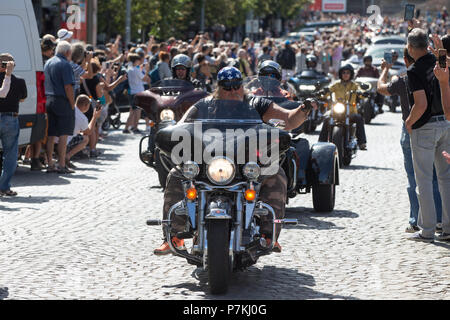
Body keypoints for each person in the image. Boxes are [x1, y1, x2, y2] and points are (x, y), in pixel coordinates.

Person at [153, 66, 312, 255]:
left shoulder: (257, 103)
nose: (232, 90)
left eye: (236, 85)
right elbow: (181, 127)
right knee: (177, 175)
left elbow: (288, 120)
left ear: (241, 86)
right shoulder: (204, 105)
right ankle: (172, 237)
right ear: (218, 87)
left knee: (276, 174)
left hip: (249, 165)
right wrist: (170, 132)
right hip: (208, 164)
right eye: (226, 86)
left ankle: (269, 235)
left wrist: (303, 109)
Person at [377, 47, 442, 233]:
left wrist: (385, 70)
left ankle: (416, 220)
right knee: (436, 178)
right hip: (435, 126)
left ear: (406, 60)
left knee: (414, 177)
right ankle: (437, 219)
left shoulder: (403, 79)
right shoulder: (434, 74)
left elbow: (381, 88)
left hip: (412, 129)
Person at [404, 28, 450, 242]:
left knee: (423, 179)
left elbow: (420, 105)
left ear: (411, 48)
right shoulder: (439, 60)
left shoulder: (413, 70)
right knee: (446, 179)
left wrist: (409, 122)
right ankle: (448, 228)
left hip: (425, 127)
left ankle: (428, 230)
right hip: (445, 123)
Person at [44, 41, 76, 174]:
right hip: (62, 101)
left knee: (51, 134)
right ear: (68, 52)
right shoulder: (65, 65)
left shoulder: (48, 62)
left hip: (49, 100)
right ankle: (62, 164)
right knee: (63, 133)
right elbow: (68, 87)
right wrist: (72, 103)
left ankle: (50, 163)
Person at [318, 64, 368, 150]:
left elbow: (360, 91)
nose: (345, 74)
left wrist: (362, 93)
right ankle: (321, 142)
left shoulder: (354, 85)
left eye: (348, 73)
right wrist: (323, 92)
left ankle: (362, 142)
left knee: (359, 118)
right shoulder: (336, 84)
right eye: (343, 72)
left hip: (351, 112)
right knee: (326, 118)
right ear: (340, 74)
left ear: (351, 74)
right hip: (337, 110)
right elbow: (328, 90)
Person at [0, 54, 27, 196]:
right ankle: (4, 187)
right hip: (10, 118)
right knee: (10, 154)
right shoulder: (19, 81)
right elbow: (22, 99)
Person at [65, 95, 102, 169]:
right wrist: (94, 117)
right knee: (85, 139)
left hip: (56, 138)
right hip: (65, 142)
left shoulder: (69, 108)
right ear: (86, 106)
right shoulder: (82, 118)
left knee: (80, 135)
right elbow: (88, 132)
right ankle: (67, 157)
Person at [123, 53, 150, 134]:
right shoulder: (136, 69)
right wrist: (146, 71)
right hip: (138, 92)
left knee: (132, 111)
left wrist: (141, 70)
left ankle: (126, 127)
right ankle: (135, 127)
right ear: (136, 60)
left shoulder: (130, 69)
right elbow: (145, 79)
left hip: (132, 91)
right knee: (137, 112)